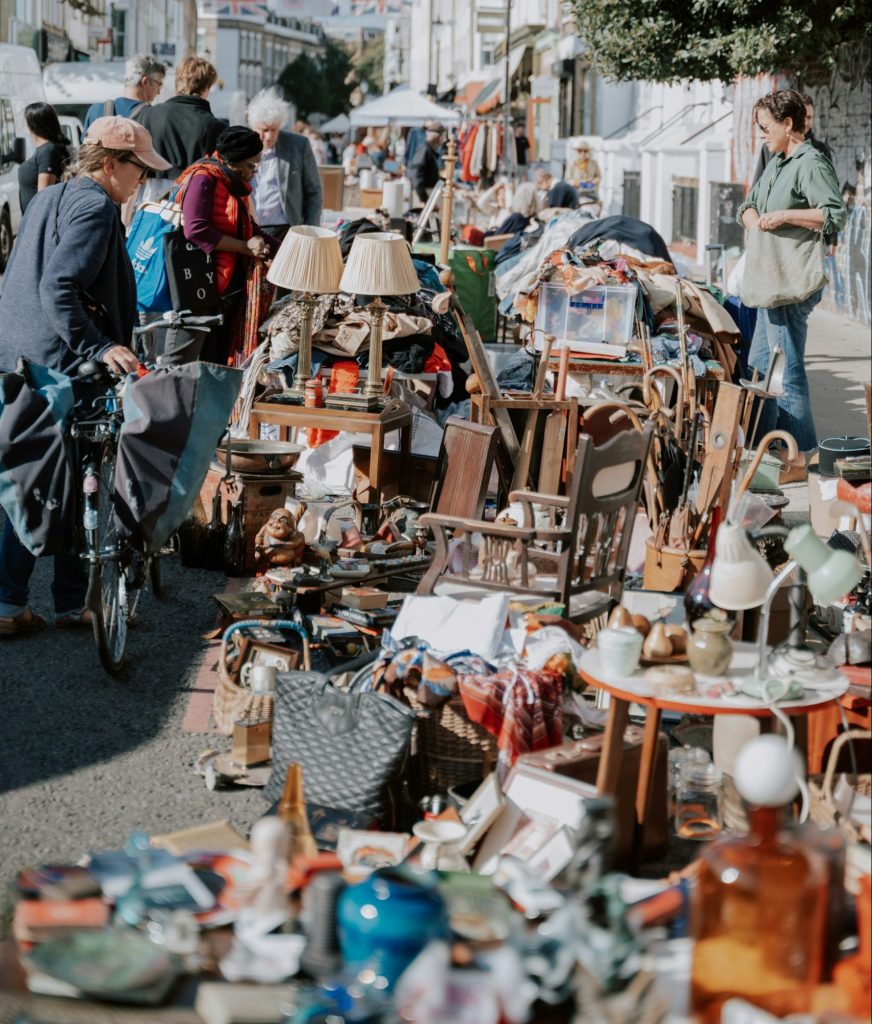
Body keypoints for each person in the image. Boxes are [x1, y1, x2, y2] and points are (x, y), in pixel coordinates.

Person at [0, 116, 169, 635]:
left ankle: (18, 604)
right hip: (60, 363)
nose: (142, 182)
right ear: (111, 163)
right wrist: (100, 344)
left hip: (19, 354)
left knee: (28, 477)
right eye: (139, 171)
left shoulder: (51, 198)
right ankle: (63, 604)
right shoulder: (96, 207)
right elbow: (59, 287)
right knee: (74, 479)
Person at [738, 89, 847, 482]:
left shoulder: (809, 162)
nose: (762, 135)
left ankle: (799, 460)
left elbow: (834, 214)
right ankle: (770, 450)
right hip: (769, 280)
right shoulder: (777, 161)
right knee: (763, 368)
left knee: (788, 370)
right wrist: (756, 221)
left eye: (767, 127)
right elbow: (747, 205)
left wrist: (784, 215)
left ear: (788, 124)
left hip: (790, 280)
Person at [175, 126, 273, 363]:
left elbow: (249, 227)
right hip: (203, 289)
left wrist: (290, 248)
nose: (254, 172)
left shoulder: (232, 182)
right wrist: (244, 247)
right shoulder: (202, 179)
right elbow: (195, 229)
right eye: (251, 166)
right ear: (234, 161)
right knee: (204, 359)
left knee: (218, 358)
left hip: (225, 289)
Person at [751, 93, 838, 253]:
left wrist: (831, 237)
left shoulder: (817, 153)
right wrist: (756, 229)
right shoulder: (770, 149)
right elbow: (753, 194)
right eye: (803, 116)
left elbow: (830, 204)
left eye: (809, 117)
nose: (806, 122)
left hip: (803, 246)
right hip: (771, 243)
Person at [136, 54, 224, 202]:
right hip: (195, 206)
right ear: (207, 87)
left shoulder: (148, 115)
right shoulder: (216, 127)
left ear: (178, 83)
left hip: (150, 205)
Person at [246, 88, 322, 240]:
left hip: (287, 229)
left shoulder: (298, 145)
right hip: (250, 228)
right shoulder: (244, 146)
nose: (268, 136)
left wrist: (310, 232)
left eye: (274, 129)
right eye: (264, 130)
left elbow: (314, 191)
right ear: (254, 126)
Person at [82, 54, 165, 131]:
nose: (158, 92)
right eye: (159, 84)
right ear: (145, 82)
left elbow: (84, 146)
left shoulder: (95, 111)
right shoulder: (152, 117)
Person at [18, 102, 70, 214]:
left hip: (38, 225)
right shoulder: (47, 150)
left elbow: (44, 198)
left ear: (33, 124)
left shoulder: (48, 151)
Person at [409, 120, 445, 205]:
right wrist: (425, 199)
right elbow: (417, 176)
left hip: (427, 195)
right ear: (439, 137)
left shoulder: (428, 150)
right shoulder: (424, 150)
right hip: (424, 197)